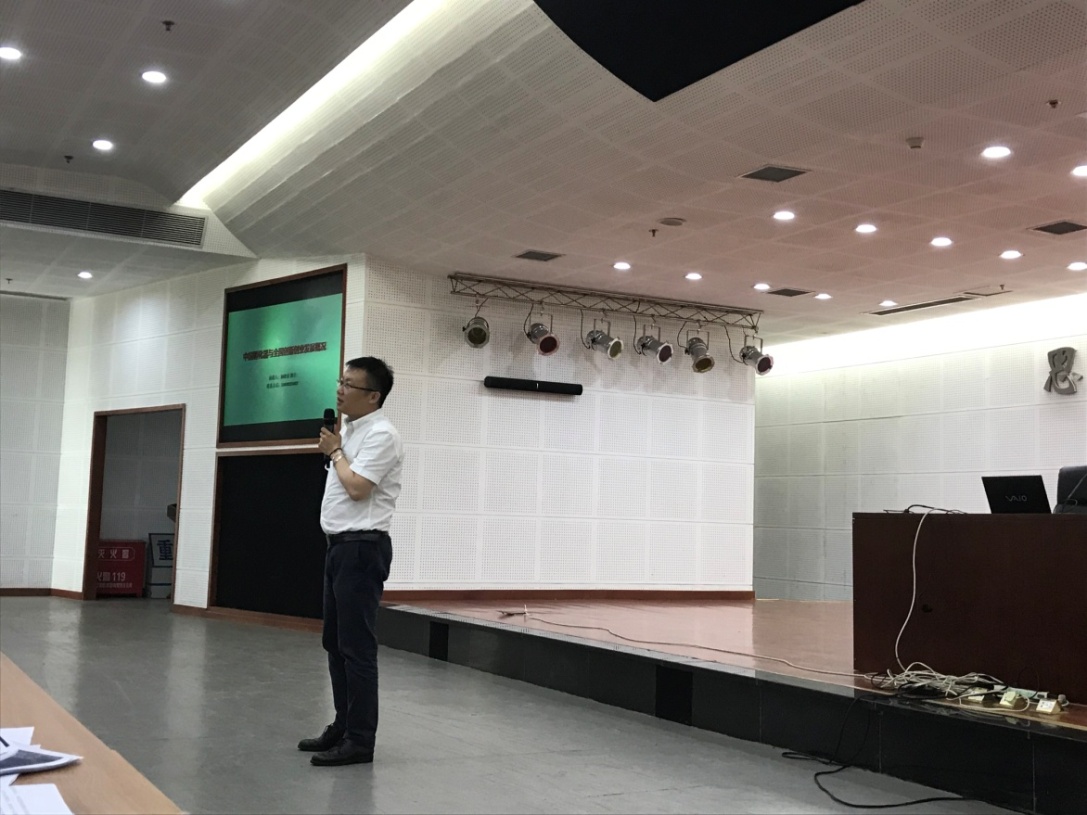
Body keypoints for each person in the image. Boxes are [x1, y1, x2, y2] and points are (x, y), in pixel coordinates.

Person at [298, 356, 403, 766]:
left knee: (357, 648)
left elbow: (358, 488)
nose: (340, 390)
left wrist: (336, 451)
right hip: (340, 547)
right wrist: (339, 446)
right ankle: (342, 725)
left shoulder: (382, 435)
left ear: (373, 396)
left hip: (362, 548)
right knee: (335, 643)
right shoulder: (352, 432)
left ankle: (360, 740)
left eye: (349, 385)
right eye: (340, 382)